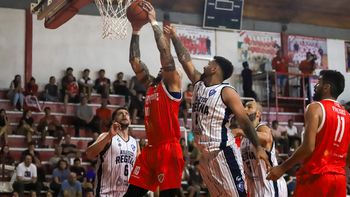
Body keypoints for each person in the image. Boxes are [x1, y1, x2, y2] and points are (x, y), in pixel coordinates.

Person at [164, 24, 270, 196]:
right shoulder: (199, 83)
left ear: (214, 69)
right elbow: (185, 60)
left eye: (209, 63)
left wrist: (258, 147)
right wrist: (175, 36)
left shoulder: (226, 91)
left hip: (223, 153)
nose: (206, 65)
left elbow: (243, 120)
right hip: (205, 156)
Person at [124, 3, 184, 197]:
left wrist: (152, 21)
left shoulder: (172, 85)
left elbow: (165, 54)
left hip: (169, 148)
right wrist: (135, 30)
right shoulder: (151, 84)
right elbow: (134, 62)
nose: (163, 67)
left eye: (166, 67)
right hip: (150, 149)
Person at [267, 70, 350, 197]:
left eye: (319, 83)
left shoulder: (315, 108)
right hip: (339, 180)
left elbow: (308, 148)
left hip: (316, 177)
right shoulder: (347, 115)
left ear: (326, 87)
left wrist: (282, 168)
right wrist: (340, 170)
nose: (316, 86)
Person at [235, 101, 287, 196]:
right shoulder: (243, 138)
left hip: (270, 185)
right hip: (255, 187)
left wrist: (240, 131)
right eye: (244, 107)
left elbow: (266, 137)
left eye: (249, 107)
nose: (244, 109)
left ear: (258, 113)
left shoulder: (262, 128)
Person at [86, 107, 139, 197]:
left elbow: (139, 168)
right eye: (120, 113)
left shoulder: (135, 142)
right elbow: (89, 154)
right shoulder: (106, 136)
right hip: (105, 193)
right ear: (114, 120)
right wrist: (109, 136)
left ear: (130, 121)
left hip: (126, 193)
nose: (124, 115)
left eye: (126, 113)